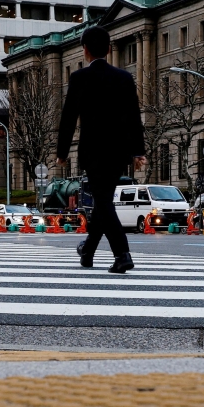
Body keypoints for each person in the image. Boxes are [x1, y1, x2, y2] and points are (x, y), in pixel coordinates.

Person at [56, 26, 146, 274]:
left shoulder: (79, 78)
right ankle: (88, 250)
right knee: (103, 201)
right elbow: (133, 118)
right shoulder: (124, 78)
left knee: (104, 201)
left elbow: (68, 117)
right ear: (108, 49)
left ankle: (122, 253)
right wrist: (138, 152)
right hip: (119, 152)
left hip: (93, 151)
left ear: (85, 50)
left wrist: (62, 152)